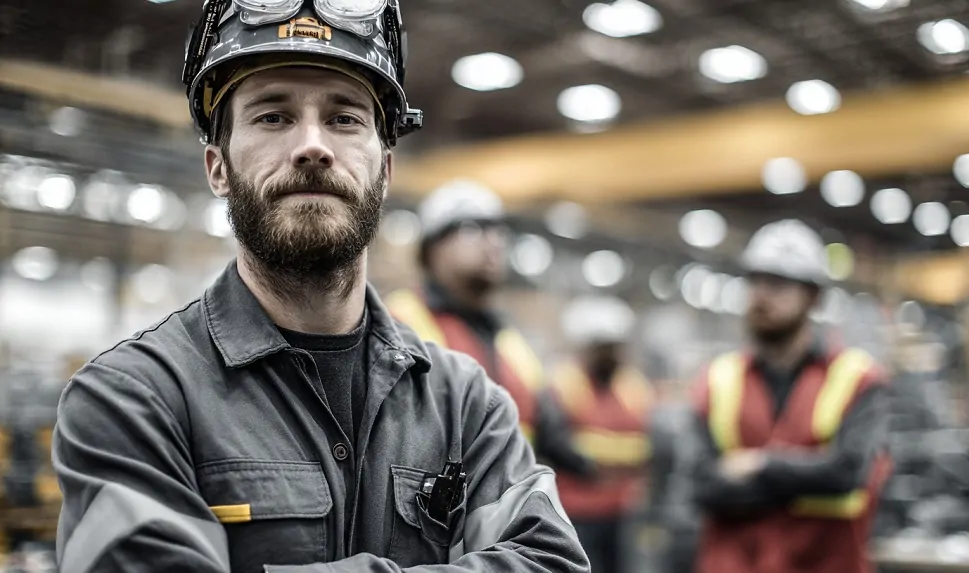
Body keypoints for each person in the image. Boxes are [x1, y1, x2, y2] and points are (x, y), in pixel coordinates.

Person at [51, 2, 589, 572]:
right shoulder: (131, 399)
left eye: (344, 118)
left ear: (386, 171)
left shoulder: (468, 406)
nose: (313, 145)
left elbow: (551, 561)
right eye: (273, 117)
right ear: (218, 167)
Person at [688, 220, 891, 573]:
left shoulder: (858, 379)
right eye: (755, 281)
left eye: (778, 284)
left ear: (814, 297)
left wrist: (760, 465)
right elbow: (700, 485)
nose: (761, 295)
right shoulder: (717, 380)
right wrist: (808, 476)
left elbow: (846, 475)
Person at [385, 184, 596, 479]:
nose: (493, 241)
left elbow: (548, 427)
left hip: (507, 498)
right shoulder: (400, 319)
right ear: (432, 248)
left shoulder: (508, 340)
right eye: (473, 228)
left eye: (498, 230)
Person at [548, 296, 656, 573]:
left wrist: (599, 452)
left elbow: (647, 445)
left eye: (616, 347)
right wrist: (616, 458)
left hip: (623, 511)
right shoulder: (564, 386)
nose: (612, 356)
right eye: (604, 348)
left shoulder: (632, 388)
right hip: (575, 512)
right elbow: (561, 446)